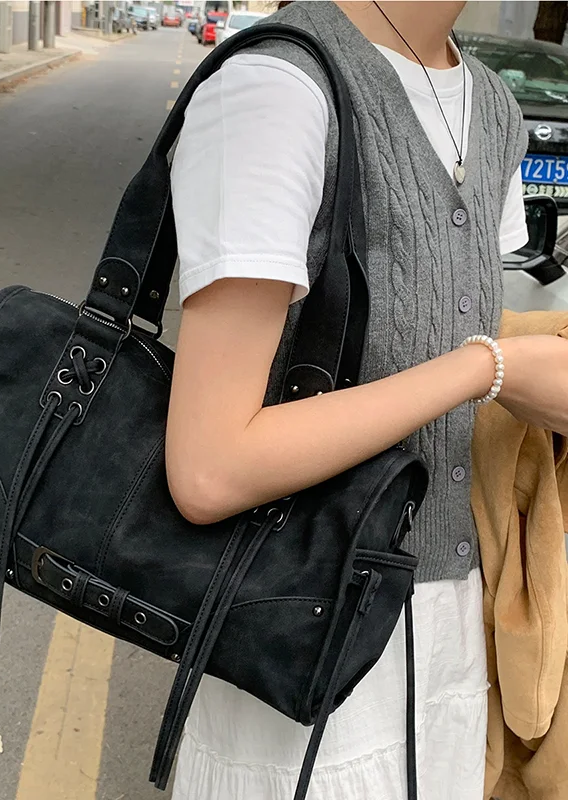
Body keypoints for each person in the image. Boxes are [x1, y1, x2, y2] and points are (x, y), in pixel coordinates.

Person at [166, 2, 568, 799]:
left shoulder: (493, 107)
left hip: (454, 631)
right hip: (303, 634)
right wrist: (490, 368)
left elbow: (448, 326)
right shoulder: (278, 87)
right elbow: (209, 468)